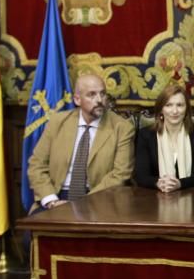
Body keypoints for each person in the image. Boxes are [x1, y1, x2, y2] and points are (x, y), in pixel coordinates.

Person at [27, 73, 135, 210]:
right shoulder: (57, 122)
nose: (99, 100)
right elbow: (37, 164)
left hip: (98, 199)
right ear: (77, 100)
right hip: (56, 195)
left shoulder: (122, 128)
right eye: (92, 95)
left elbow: (120, 174)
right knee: (33, 227)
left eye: (102, 94)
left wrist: (82, 204)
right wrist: (51, 200)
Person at [133, 83, 194, 192]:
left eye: (180, 105)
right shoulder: (146, 135)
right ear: (161, 109)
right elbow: (140, 176)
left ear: (186, 109)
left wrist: (179, 184)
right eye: (169, 105)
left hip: (189, 197)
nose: (175, 111)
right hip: (154, 198)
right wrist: (159, 183)